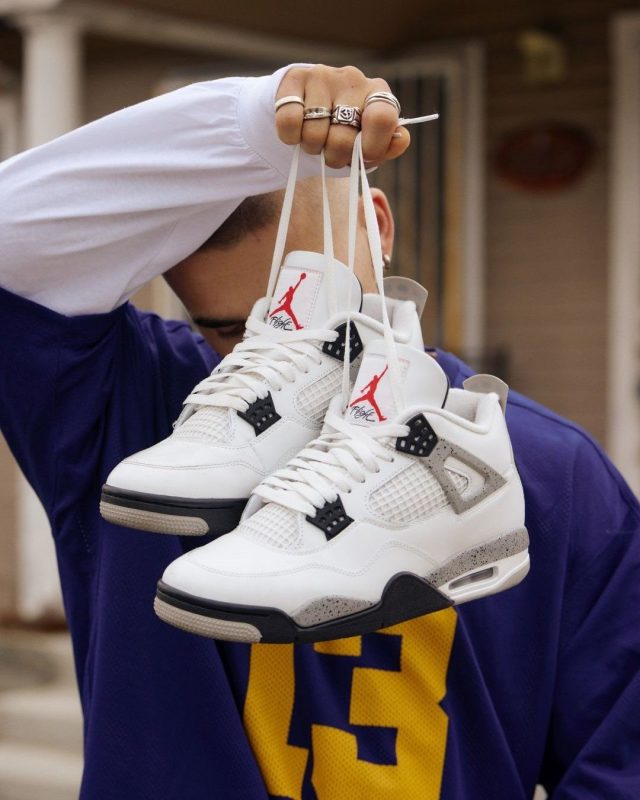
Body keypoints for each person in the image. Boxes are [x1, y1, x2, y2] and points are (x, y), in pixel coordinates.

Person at [0, 64, 638, 800]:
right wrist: (248, 118)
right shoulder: (127, 409)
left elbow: (620, 761)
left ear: (379, 225)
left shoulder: (544, 469)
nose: (297, 363)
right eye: (239, 334)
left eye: (325, 318)